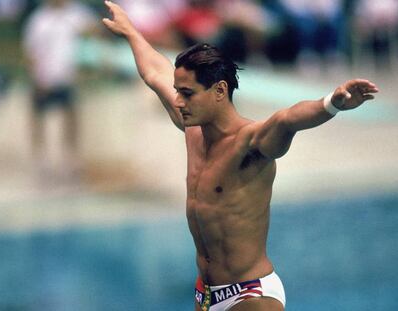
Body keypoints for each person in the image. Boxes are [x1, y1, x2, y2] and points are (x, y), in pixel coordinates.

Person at [102, 1, 379, 310]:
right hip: (206, 296)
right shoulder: (193, 130)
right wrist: (130, 31)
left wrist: (332, 102)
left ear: (219, 91)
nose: (178, 101)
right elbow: (155, 71)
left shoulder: (251, 144)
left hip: (251, 294)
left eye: (187, 93)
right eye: (179, 91)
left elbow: (288, 118)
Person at [22, 0, 96, 176]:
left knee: (70, 117)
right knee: (38, 118)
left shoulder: (76, 13)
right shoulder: (38, 20)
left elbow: (95, 31)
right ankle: (41, 157)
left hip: (67, 76)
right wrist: (37, 78)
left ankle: (70, 157)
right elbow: (30, 52)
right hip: (45, 77)